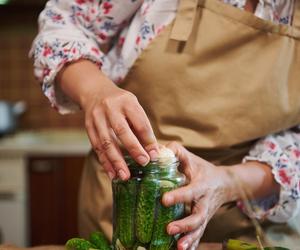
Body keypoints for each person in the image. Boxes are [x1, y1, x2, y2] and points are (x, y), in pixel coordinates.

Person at [30, 0, 300, 249]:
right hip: (126, 204)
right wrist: (95, 91)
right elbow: (63, 22)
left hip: (242, 217)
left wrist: (228, 182)